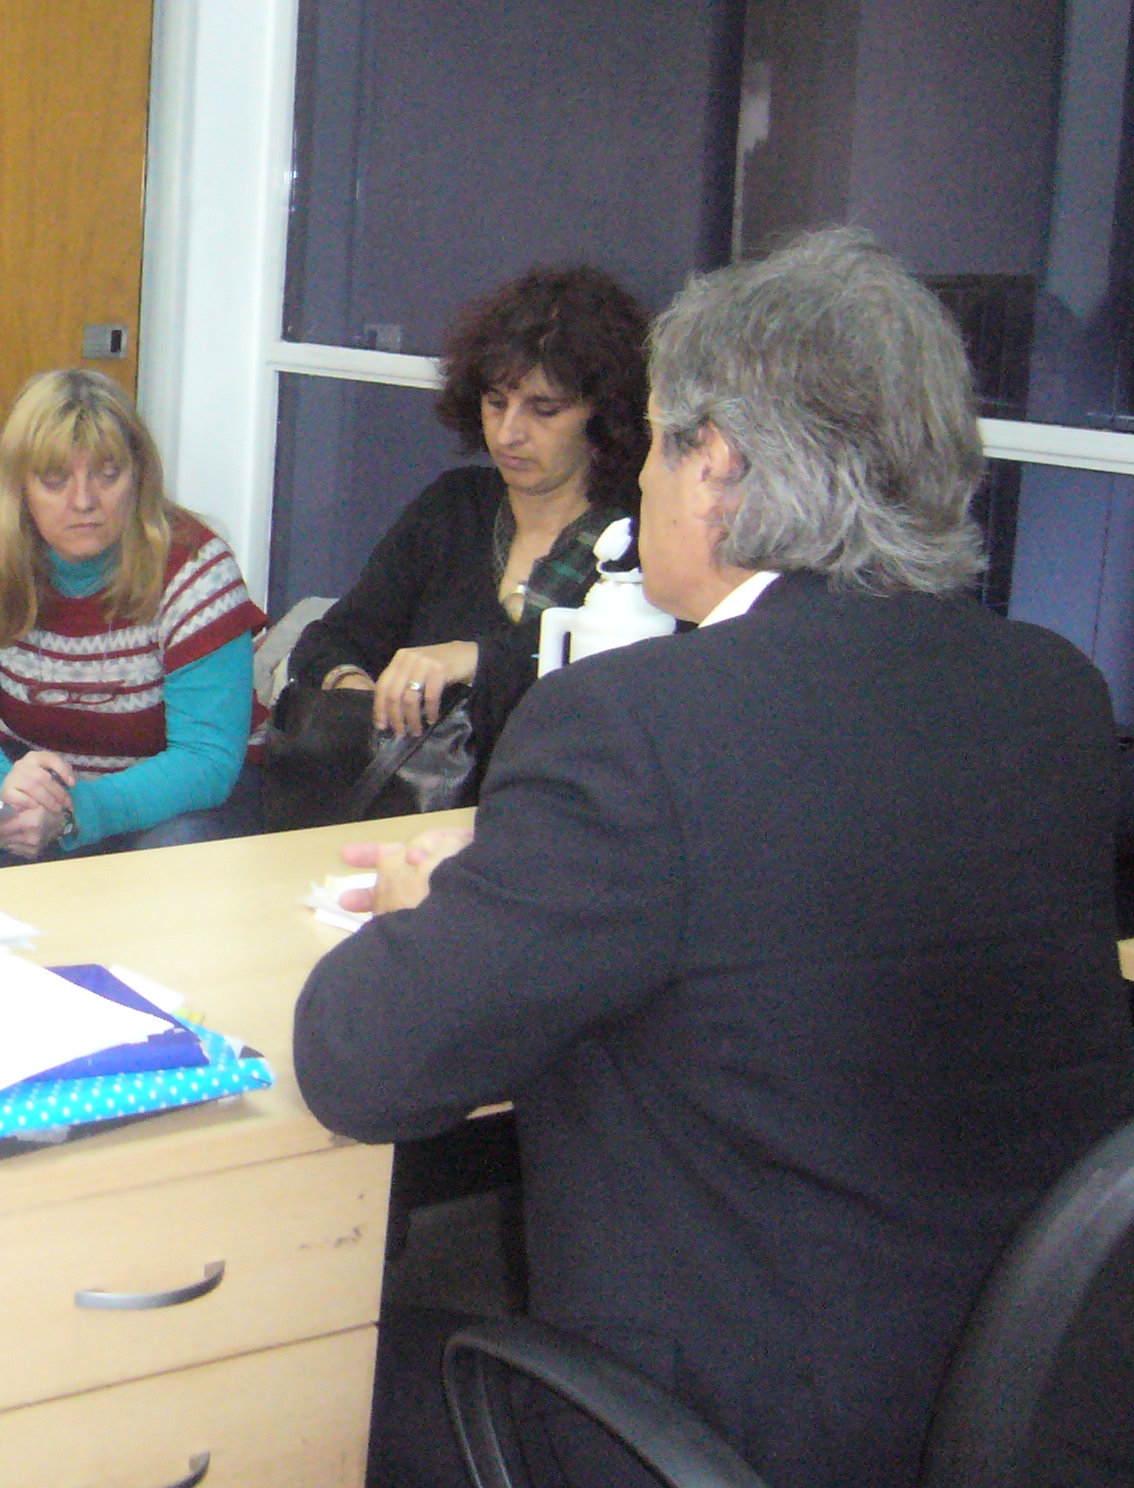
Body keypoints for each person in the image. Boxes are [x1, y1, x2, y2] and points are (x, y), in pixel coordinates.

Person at [293, 230, 1134, 1488]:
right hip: (1031, 1409)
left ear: (718, 471)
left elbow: (359, 1065)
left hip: (719, 1435)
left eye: (659, 446)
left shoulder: (636, 729)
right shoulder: (1053, 698)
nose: (636, 489)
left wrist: (442, 908)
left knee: (297, 1383)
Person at [0, 368, 264, 877]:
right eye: (56, 479)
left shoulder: (196, 569)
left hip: (170, 797)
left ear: (140, 477)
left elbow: (207, 761)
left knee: (182, 850)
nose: (83, 502)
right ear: (19, 486)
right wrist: (0, 791)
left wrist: (73, 814)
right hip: (29, 777)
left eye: (108, 475)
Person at [288, 264, 650, 764]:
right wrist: (357, 689)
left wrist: (475, 659)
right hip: (414, 821)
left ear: (605, 415)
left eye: (545, 411)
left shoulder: (640, 536)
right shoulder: (454, 507)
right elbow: (329, 641)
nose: (508, 433)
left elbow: (621, 685)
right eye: (496, 402)